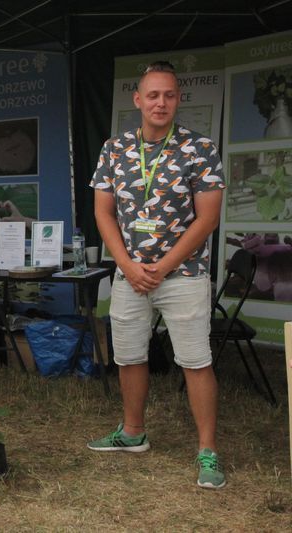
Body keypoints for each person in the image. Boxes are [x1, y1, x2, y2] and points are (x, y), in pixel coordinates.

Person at [87, 61, 227, 489]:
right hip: (130, 274)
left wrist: (163, 266)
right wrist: (127, 265)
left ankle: (208, 451)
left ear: (178, 99)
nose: (160, 102)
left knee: (195, 361)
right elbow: (102, 211)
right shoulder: (115, 149)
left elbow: (208, 219)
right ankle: (133, 433)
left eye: (168, 95)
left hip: (182, 274)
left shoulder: (199, 148)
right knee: (128, 355)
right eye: (153, 95)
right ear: (138, 100)